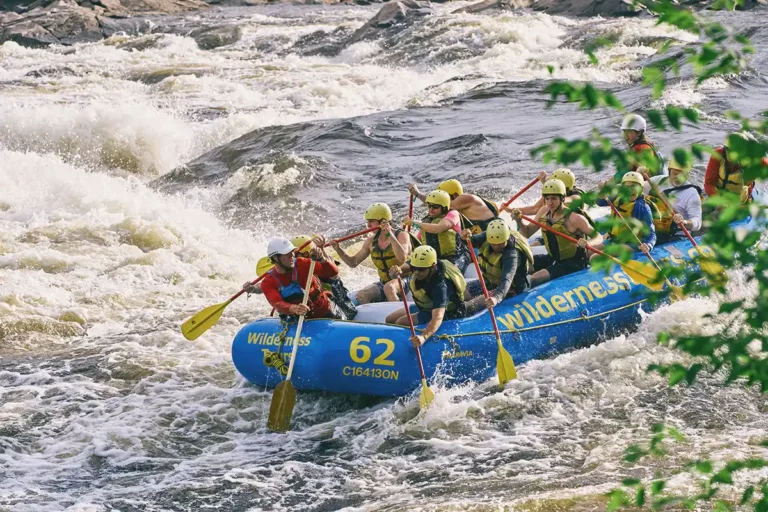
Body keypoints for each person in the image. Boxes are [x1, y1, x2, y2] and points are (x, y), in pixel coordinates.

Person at [511, 179, 602, 287]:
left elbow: (598, 236)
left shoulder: (574, 218)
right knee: (518, 265)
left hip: (572, 262)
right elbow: (527, 233)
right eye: (547, 198)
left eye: (554, 198)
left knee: (536, 278)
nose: (550, 202)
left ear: (563, 198)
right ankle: (515, 292)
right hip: (552, 258)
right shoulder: (543, 211)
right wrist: (519, 221)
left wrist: (588, 243)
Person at [332, 203, 416, 304]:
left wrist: (390, 235)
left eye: (371, 221)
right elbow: (353, 263)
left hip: (405, 280)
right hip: (384, 282)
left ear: (383, 221)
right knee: (362, 295)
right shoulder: (370, 241)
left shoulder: (401, 235)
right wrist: (338, 249)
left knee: (389, 288)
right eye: (368, 221)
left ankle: (396, 317)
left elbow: (402, 257)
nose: (368, 225)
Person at [385, 246, 468, 347]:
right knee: (389, 319)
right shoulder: (422, 263)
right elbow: (405, 268)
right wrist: (396, 271)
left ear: (433, 266)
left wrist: (423, 337)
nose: (416, 272)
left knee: (400, 322)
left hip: (448, 313)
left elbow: (438, 317)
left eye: (421, 270)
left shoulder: (440, 285)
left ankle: (402, 348)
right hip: (427, 307)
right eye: (414, 268)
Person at [259, 236, 349, 320]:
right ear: (275, 257)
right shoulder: (268, 282)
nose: (292, 256)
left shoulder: (302, 264)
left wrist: (322, 259)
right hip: (298, 319)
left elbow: (333, 272)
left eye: (292, 252)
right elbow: (277, 303)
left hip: (325, 310)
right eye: (287, 254)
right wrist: (294, 309)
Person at [461, 219, 532, 315]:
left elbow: (507, 280)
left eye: (500, 243)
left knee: (471, 305)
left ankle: (466, 313)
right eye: (493, 244)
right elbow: (470, 241)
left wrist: (496, 298)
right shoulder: (490, 235)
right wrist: (464, 236)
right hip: (490, 282)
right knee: (461, 291)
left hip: (510, 290)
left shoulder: (512, 255)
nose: (496, 247)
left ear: (506, 238)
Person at [591, 171, 656, 261]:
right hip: (614, 239)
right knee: (588, 252)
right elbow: (600, 202)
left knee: (594, 258)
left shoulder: (643, 208)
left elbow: (651, 234)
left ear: (640, 189)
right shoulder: (618, 198)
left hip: (631, 243)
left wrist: (648, 245)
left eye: (634, 186)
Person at [291, 235, 357, 319]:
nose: (292, 258)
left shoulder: (320, 264)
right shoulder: (295, 266)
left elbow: (333, 273)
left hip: (339, 302)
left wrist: (321, 249)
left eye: (295, 254)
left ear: (306, 253)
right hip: (317, 304)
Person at [404, 189, 471, 272]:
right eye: (429, 206)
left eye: (435, 207)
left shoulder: (453, 214)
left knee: (446, 273)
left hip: (456, 256)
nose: (431, 210)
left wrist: (413, 223)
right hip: (433, 258)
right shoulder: (427, 222)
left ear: (444, 208)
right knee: (404, 268)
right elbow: (419, 241)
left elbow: (438, 228)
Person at [600, 114, 665, 190]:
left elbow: (623, 172)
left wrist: (606, 185)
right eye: (624, 131)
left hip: (650, 188)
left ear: (639, 133)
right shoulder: (648, 144)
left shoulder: (641, 148)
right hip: (656, 185)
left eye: (629, 132)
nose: (626, 135)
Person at [409, 179, 497, 233]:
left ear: (455, 195)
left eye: (445, 196)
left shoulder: (465, 198)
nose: (442, 199)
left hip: (491, 232)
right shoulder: (460, 205)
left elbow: (438, 203)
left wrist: (417, 193)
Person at [646, 158, 702, 243]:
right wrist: (638, 174)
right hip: (654, 230)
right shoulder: (659, 180)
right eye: (675, 174)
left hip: (677, 235)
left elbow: (697, 223)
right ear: (669, 172)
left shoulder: (692, 193)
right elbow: (634, 190)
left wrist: (684, 222)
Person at [704, 131, 768, 204]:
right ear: (725, 149)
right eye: (730, 150)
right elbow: (709, 184)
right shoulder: (717, 155)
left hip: (741, 201)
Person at [517, 168, 586, 215]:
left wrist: (550, 199)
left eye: (553, 182)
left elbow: (565, 201)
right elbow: (535, 209)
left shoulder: (576, 196)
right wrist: (511, 210)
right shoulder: (555, 193)